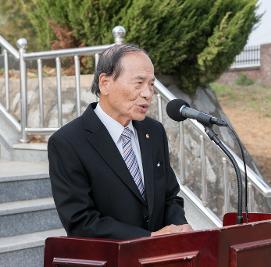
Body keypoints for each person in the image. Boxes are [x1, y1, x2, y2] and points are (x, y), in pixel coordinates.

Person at [48, 44, 192, 240]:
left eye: (151, 84)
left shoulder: (154, 131)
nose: (148, 94)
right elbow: (80, 221)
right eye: (139, 83)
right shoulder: (68, 142)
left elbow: (170, 196)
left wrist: (179, 226)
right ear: (105, 83)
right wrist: (147, 238)